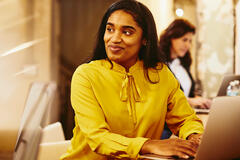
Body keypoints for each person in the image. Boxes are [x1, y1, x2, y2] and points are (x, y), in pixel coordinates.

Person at [60, 1, 204, 160]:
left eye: (127, 32)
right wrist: (149, 145)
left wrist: (195, 136)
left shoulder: (161, 74)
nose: (114, 39)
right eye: (110, 29)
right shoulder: (85, 75)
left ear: (145, 39)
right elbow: (97, 138)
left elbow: (185, 118)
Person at [159, 19, 212, 109]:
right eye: (184, 40)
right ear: (171, 37)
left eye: (190, 41)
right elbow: (161, 98)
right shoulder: (158, 63)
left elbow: (187, 94)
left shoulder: (183, 63)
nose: (188, 45)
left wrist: (200, 100)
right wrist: (190, 101)